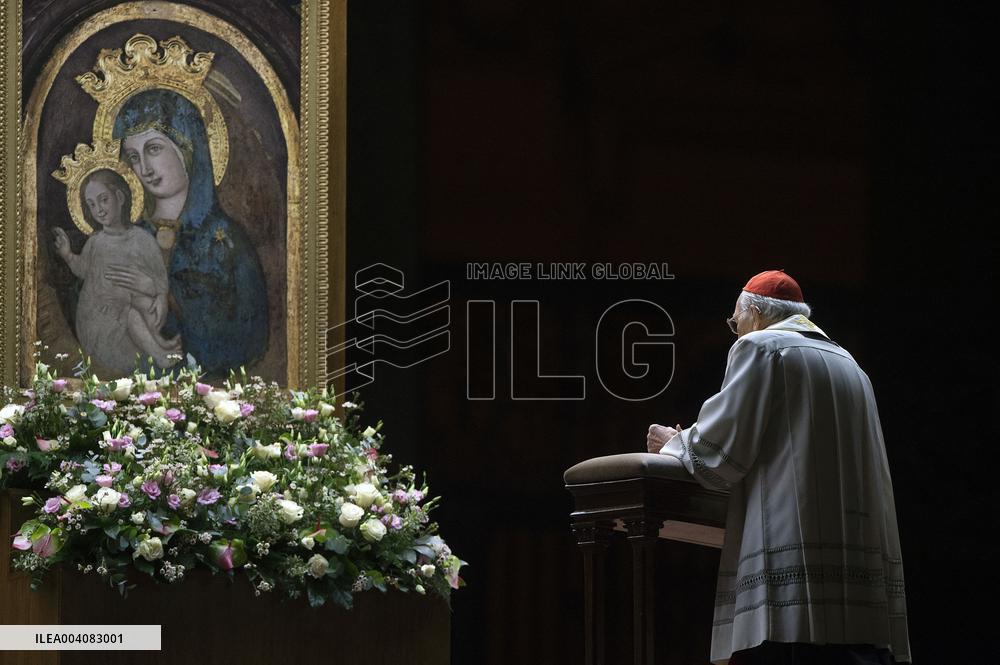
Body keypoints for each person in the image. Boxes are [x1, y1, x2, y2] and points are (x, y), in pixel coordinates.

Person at [646, 270, 910, 665]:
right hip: (857, 577)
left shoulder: (760, 347)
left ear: (754, 312)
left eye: (736, 322)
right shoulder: (851, 365)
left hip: (791, 566)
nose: (736, 332)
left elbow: (724, 448)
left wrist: (674, 443)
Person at [110, 88, 269, 378]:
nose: (144, 168)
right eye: (133, 156)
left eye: (154, 149)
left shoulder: (225, 241)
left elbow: (249, 336)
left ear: (187, 148)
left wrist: (170, 295)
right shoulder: (129, 237)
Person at [53, 169, 181, 374]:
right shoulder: (95, 243)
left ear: (120, 197)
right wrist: (68, 255)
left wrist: (159, 296)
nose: (98, 210)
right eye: (91, 204)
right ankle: (159, 355)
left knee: (143, 302)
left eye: (103, 200)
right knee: (131, 312)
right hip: (98, 320)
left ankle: (159, 343)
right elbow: (83, 270)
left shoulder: (143, 240)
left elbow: (160, 278)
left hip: (128, 310)